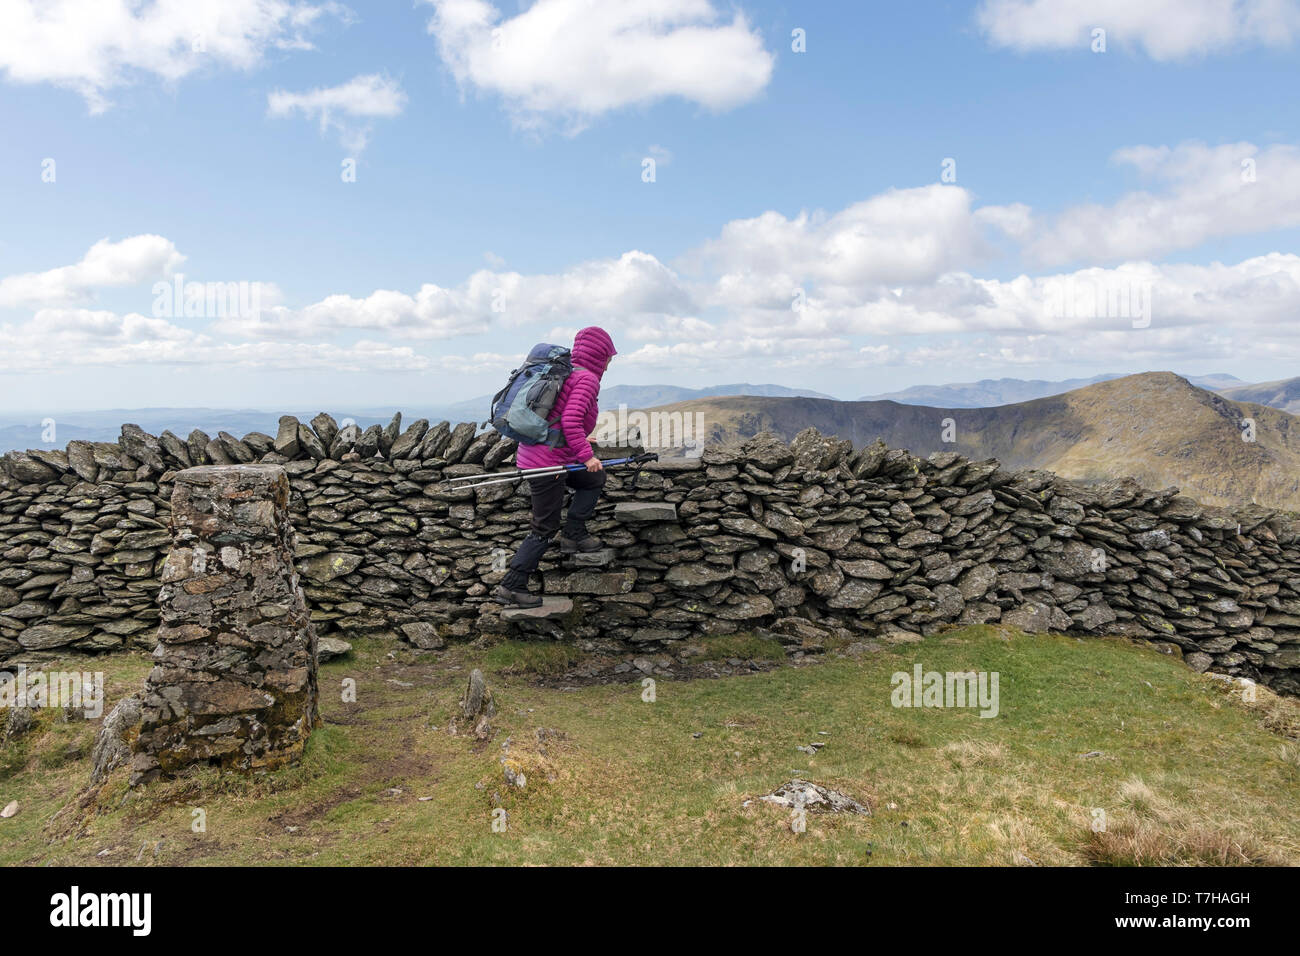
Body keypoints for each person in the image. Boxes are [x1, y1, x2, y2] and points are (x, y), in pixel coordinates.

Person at [492, 326, 618, 608]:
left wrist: (580, 444)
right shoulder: (585, 379)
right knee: (544, 526)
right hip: (546, 464)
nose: (609, 365)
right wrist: (587, 456)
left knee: (592, 480)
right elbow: (570, 422)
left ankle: (575, 533)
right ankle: (512, 585)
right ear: (600, 355)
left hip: (542, 454)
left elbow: (558, 418)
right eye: (609, 357)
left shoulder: (568, 373)